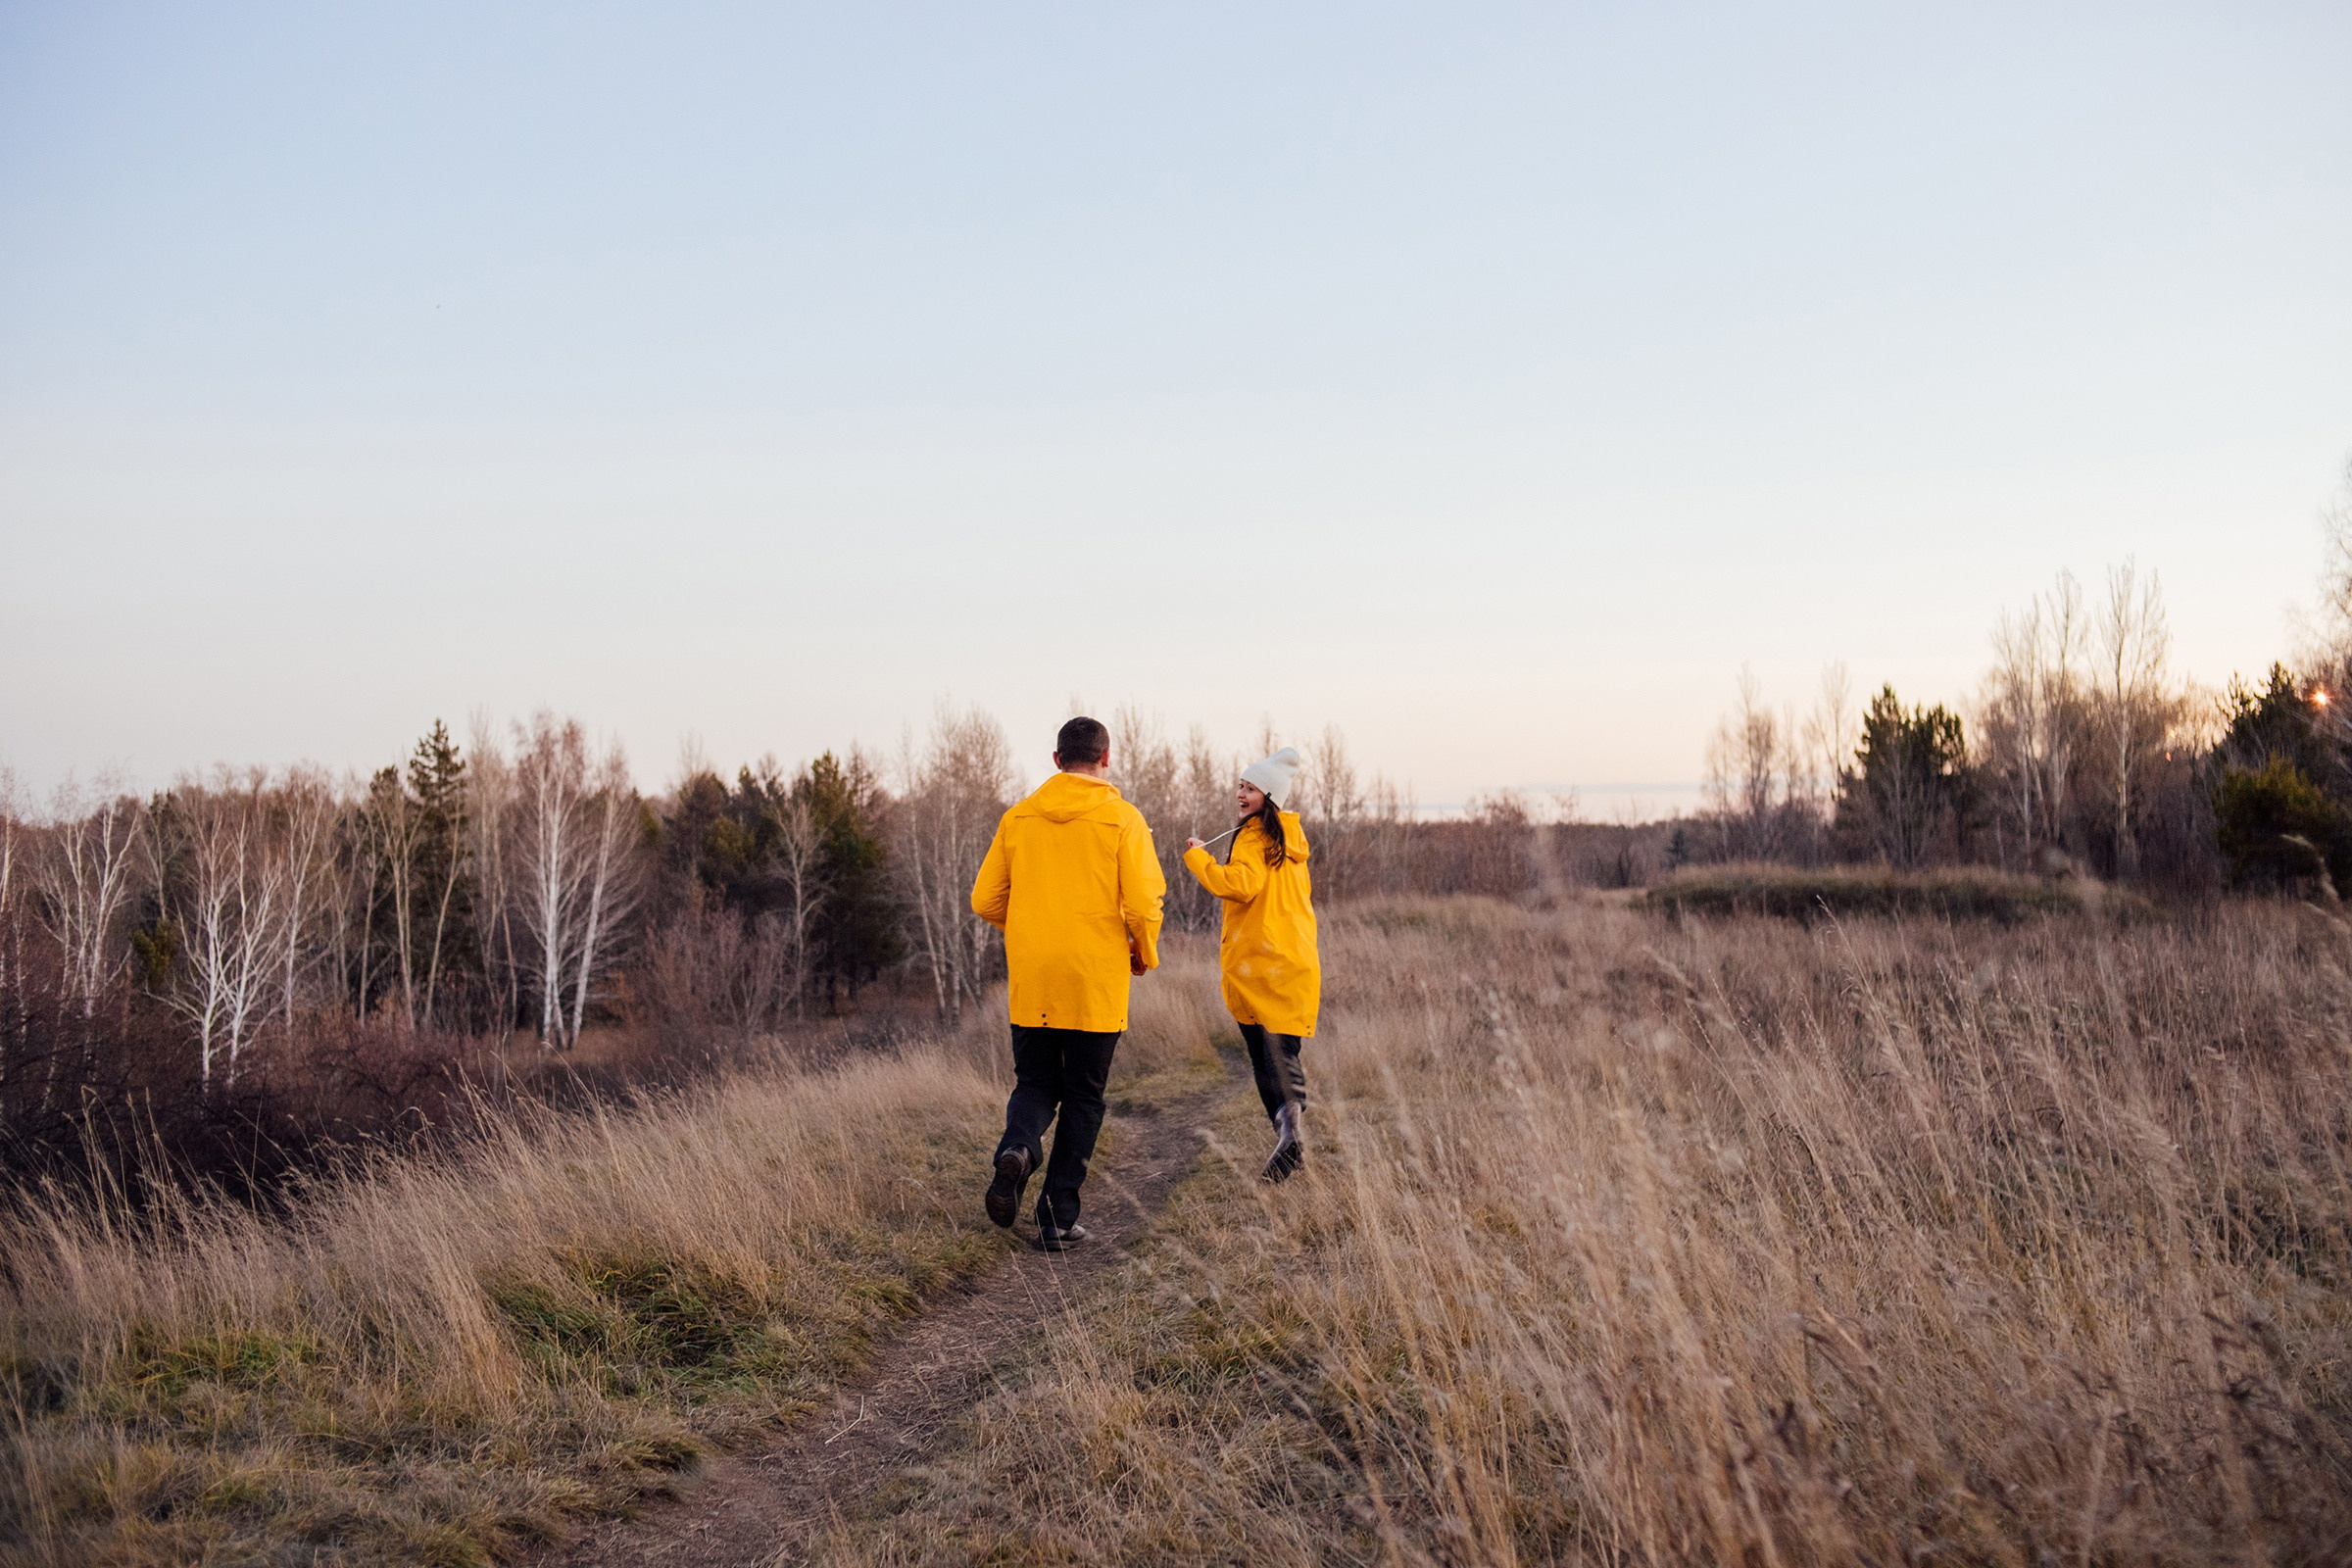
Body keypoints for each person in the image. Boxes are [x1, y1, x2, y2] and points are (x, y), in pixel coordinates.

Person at [970, 715, 1167, 1250]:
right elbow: (1143, 904)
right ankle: (1057, 1219)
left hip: (1033, 980)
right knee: (1083, 1096)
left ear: (1056, 760)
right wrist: (1143, 953)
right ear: (1106, 759)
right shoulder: (1123, 819)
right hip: (1094, 981)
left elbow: (984, 900)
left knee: (1035, 1084)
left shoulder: (1019, 818)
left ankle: (1018, 1150)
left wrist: (1034, 928)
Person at [1183, 746, 1320, 1182]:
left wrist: (1199, 857)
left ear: (1270, 796)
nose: (1241, 793)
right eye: (1241, 785)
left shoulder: (1253, 836)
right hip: (1295, 962)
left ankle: (1289, 1132)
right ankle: (1292, 1130)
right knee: (1283, 1053)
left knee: (1266, 1059)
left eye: (1251, 788)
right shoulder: (1289, 843)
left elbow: (1240, 885)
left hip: (1260, 964)